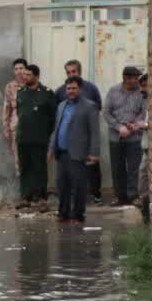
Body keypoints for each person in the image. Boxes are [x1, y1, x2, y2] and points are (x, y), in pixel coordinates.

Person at [49, 76, 103, 224]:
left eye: (73, 88)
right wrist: (51, 148)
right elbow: (57, 128)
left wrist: (94, 153)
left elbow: (94, 132)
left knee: (78, 186)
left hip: (79, 152)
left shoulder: (89, 106)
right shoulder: (61, 106)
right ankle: (63, 214)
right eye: (68, 88)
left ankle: (78, 215)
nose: (70, 91)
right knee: (62, 185)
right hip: (62, 152)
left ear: (80, 89)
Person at [102, 65, 148, 206]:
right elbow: (106, 112)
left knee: (134, 167)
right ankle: (120, 196)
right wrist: (119, 127)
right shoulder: (113, 91)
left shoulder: (141, 93)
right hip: (116, 137)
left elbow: (144, 111)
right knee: (117, 168)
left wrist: (133, 126)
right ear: (126, 78)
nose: (137, 81)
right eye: (134, 78)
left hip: (135, 137)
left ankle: (133, 195)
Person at [64, 59, 104, 203]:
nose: (71, 74)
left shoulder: (91, 88)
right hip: (71, 137)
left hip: (88, 134)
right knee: (73, 167)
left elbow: (98, 106)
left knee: (92, 166)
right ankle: (76, 195)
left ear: (79, 72)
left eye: (73, 71)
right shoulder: (62, 90)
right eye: (68, 72)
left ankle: (96, 194)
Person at [15, 63, 56, 203]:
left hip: (39, 138)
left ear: (37, 76)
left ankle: (42, 197)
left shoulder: (47, 93)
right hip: (23, 138)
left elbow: (52, 117)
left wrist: (45, 133)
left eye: (28, 75)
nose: (25, 77)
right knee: (25, 167)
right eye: (24, 74)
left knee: (40, 168)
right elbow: (20, 113)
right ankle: (26, 196)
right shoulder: (21, 92)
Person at [1, 57, 28, 160]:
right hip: (16, 129)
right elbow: (6, 109)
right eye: (16, 69)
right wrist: (6, 128)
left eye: (21, 68)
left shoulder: (31, 85)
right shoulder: (10, 87)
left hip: (31, 130)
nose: (19, 71)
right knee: (18, 161)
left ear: (26, 69)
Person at [138, 73, 150, 224]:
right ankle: (145, 209)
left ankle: (147, 213)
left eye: (145, 85)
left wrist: (144, 125)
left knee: (145, 181)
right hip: (145, 149)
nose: (143, 89)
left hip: (151, 151)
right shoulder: (147, 101)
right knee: (142, 179)